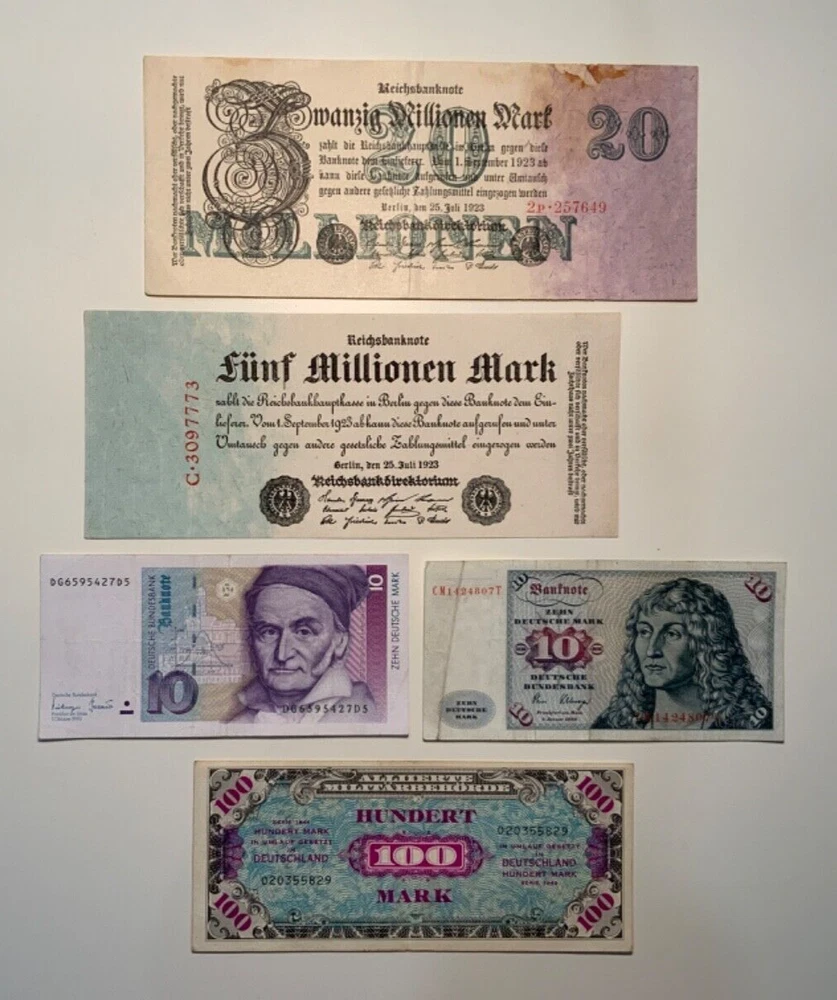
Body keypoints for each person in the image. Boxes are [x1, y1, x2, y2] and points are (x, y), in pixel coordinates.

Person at [592, 577, 773, 731]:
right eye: (644, 632)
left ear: (707, 645)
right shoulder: (612, 725)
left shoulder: (750, 723)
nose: (652, 650)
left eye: (672, 634)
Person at [232, 564, 374, 722]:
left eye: (304, 632)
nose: (282, 655)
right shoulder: (239, 723)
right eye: (269, 632)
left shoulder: (362, 715)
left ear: (339, 642)